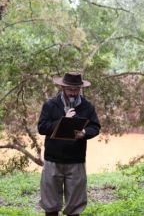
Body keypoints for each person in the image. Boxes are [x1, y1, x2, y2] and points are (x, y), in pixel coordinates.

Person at [38, 72, 101, 216]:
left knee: (75, 205)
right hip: (52, 160)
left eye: (76, 89)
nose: (73, 92)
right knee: (50, 205)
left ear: (80, 88)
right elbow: (41, 128)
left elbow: (95, 127)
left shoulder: (87, 106)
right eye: (70, 89)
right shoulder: (50, 105)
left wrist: (85, 133)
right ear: (62, 87)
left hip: (76, 161)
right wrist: (62, 121)